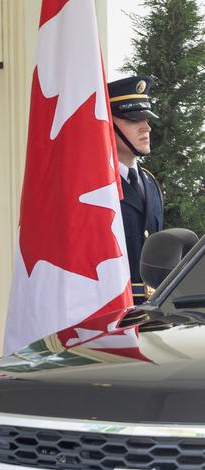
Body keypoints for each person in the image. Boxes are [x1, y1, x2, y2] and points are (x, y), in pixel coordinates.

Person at [107, 75, 163, 304]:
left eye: (146, 119)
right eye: (134, 119)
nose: (146, 127)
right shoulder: (97, 188)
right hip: (114, 311)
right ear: (107, 124)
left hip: (153, 312)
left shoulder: (150, 182)